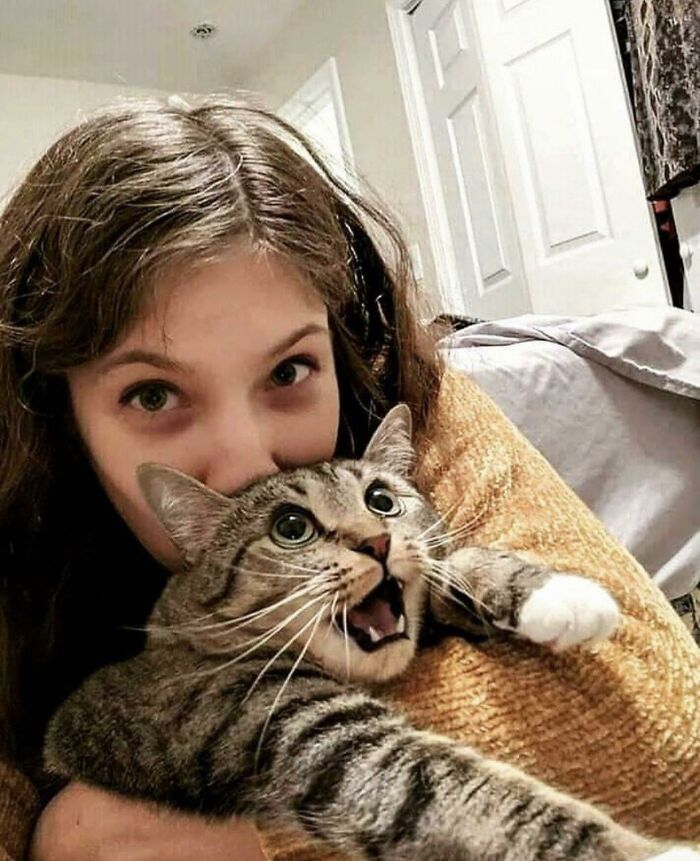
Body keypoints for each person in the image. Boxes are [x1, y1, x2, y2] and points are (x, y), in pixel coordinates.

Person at [0, 96, 697, 861]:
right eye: (153, 394)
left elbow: (669, 739)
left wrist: (146, 832)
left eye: (290, 369)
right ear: (52, 410)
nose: (246, 465)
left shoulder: (408, 402)